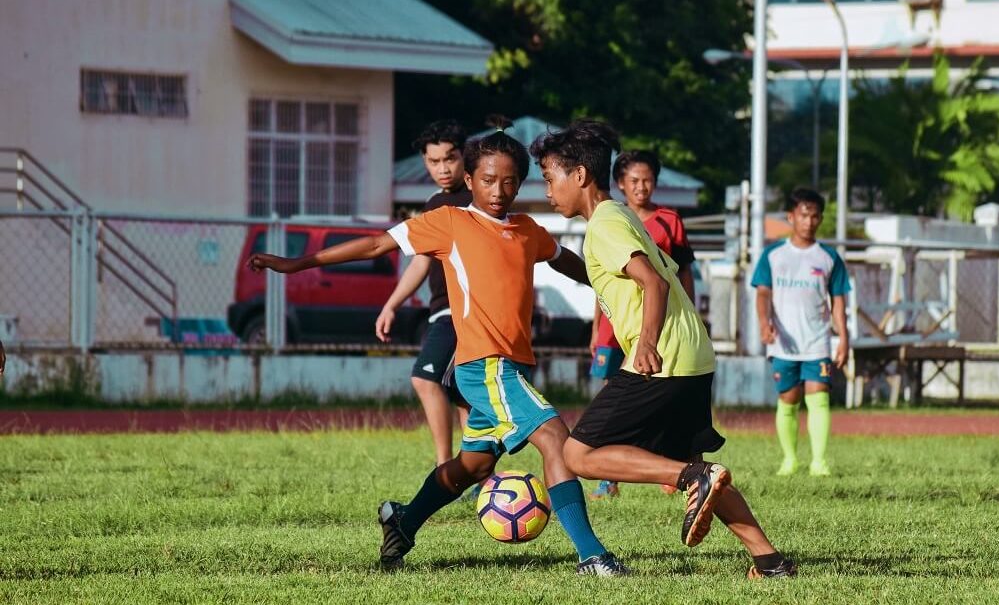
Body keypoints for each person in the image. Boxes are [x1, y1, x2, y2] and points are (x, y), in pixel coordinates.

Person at [248, 117, 627, 576]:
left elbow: (576, 266)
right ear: (469, 180)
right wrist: (299, 262)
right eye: (488, 180)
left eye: (510, 182)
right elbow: (373, 245)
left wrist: (628, 277)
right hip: (485, 367)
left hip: (513, 368)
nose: (498, 191)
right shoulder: (449, 222)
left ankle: (403, 520)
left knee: (471, 465)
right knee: (556, 440)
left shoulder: (528, 230)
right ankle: (592, 556)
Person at [532, 119, 798, 579]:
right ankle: (769, 560)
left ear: (579, 176)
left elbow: (651, 282)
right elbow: (641, 273)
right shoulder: (622, 216)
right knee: (700, 469)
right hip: (693, 355)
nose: (548, 190)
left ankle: (689, 479)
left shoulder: (603, 225)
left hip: (663, 357)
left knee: (577, 454)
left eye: (549, 177)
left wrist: (647, 344)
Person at [588, 150, 695, 499]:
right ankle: (610, 477)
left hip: (652, 325)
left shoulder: (668, 221)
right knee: (611, 396)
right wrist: (595, 329)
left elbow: (680, 274)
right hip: (613, 327)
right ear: (620, 183)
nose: (641, 186)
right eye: (634, 180)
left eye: (647, 180)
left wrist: (689, 312)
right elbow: (602, 283)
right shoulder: (611, 220)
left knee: (656, 394)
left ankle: (670, 465)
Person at [375, 120, 471, 467]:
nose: (443, 168)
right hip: (441, 311)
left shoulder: (480, 199)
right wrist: (391, 305)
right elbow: (420, 262)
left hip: (462, 312)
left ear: (464, 156)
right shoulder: (433, 203)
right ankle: (472, 472)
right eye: (434, 161)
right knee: (463, 394)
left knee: (425, 377)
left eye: (450, 158)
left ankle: (445, 469)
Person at [751, 188, 850, 477]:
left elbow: (839, 301)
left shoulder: (829, 257)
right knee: (788, 398)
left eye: (815, 216)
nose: (809, 221)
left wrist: (843, 338)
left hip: (818, 341)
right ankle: (790, 460)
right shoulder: (773, 255)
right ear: (791, 217)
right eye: (804, 215)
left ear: (820, 219)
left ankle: (819, 462)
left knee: (818, 396)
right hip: (783, 342)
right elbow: (762, 294)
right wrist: (763, 323)